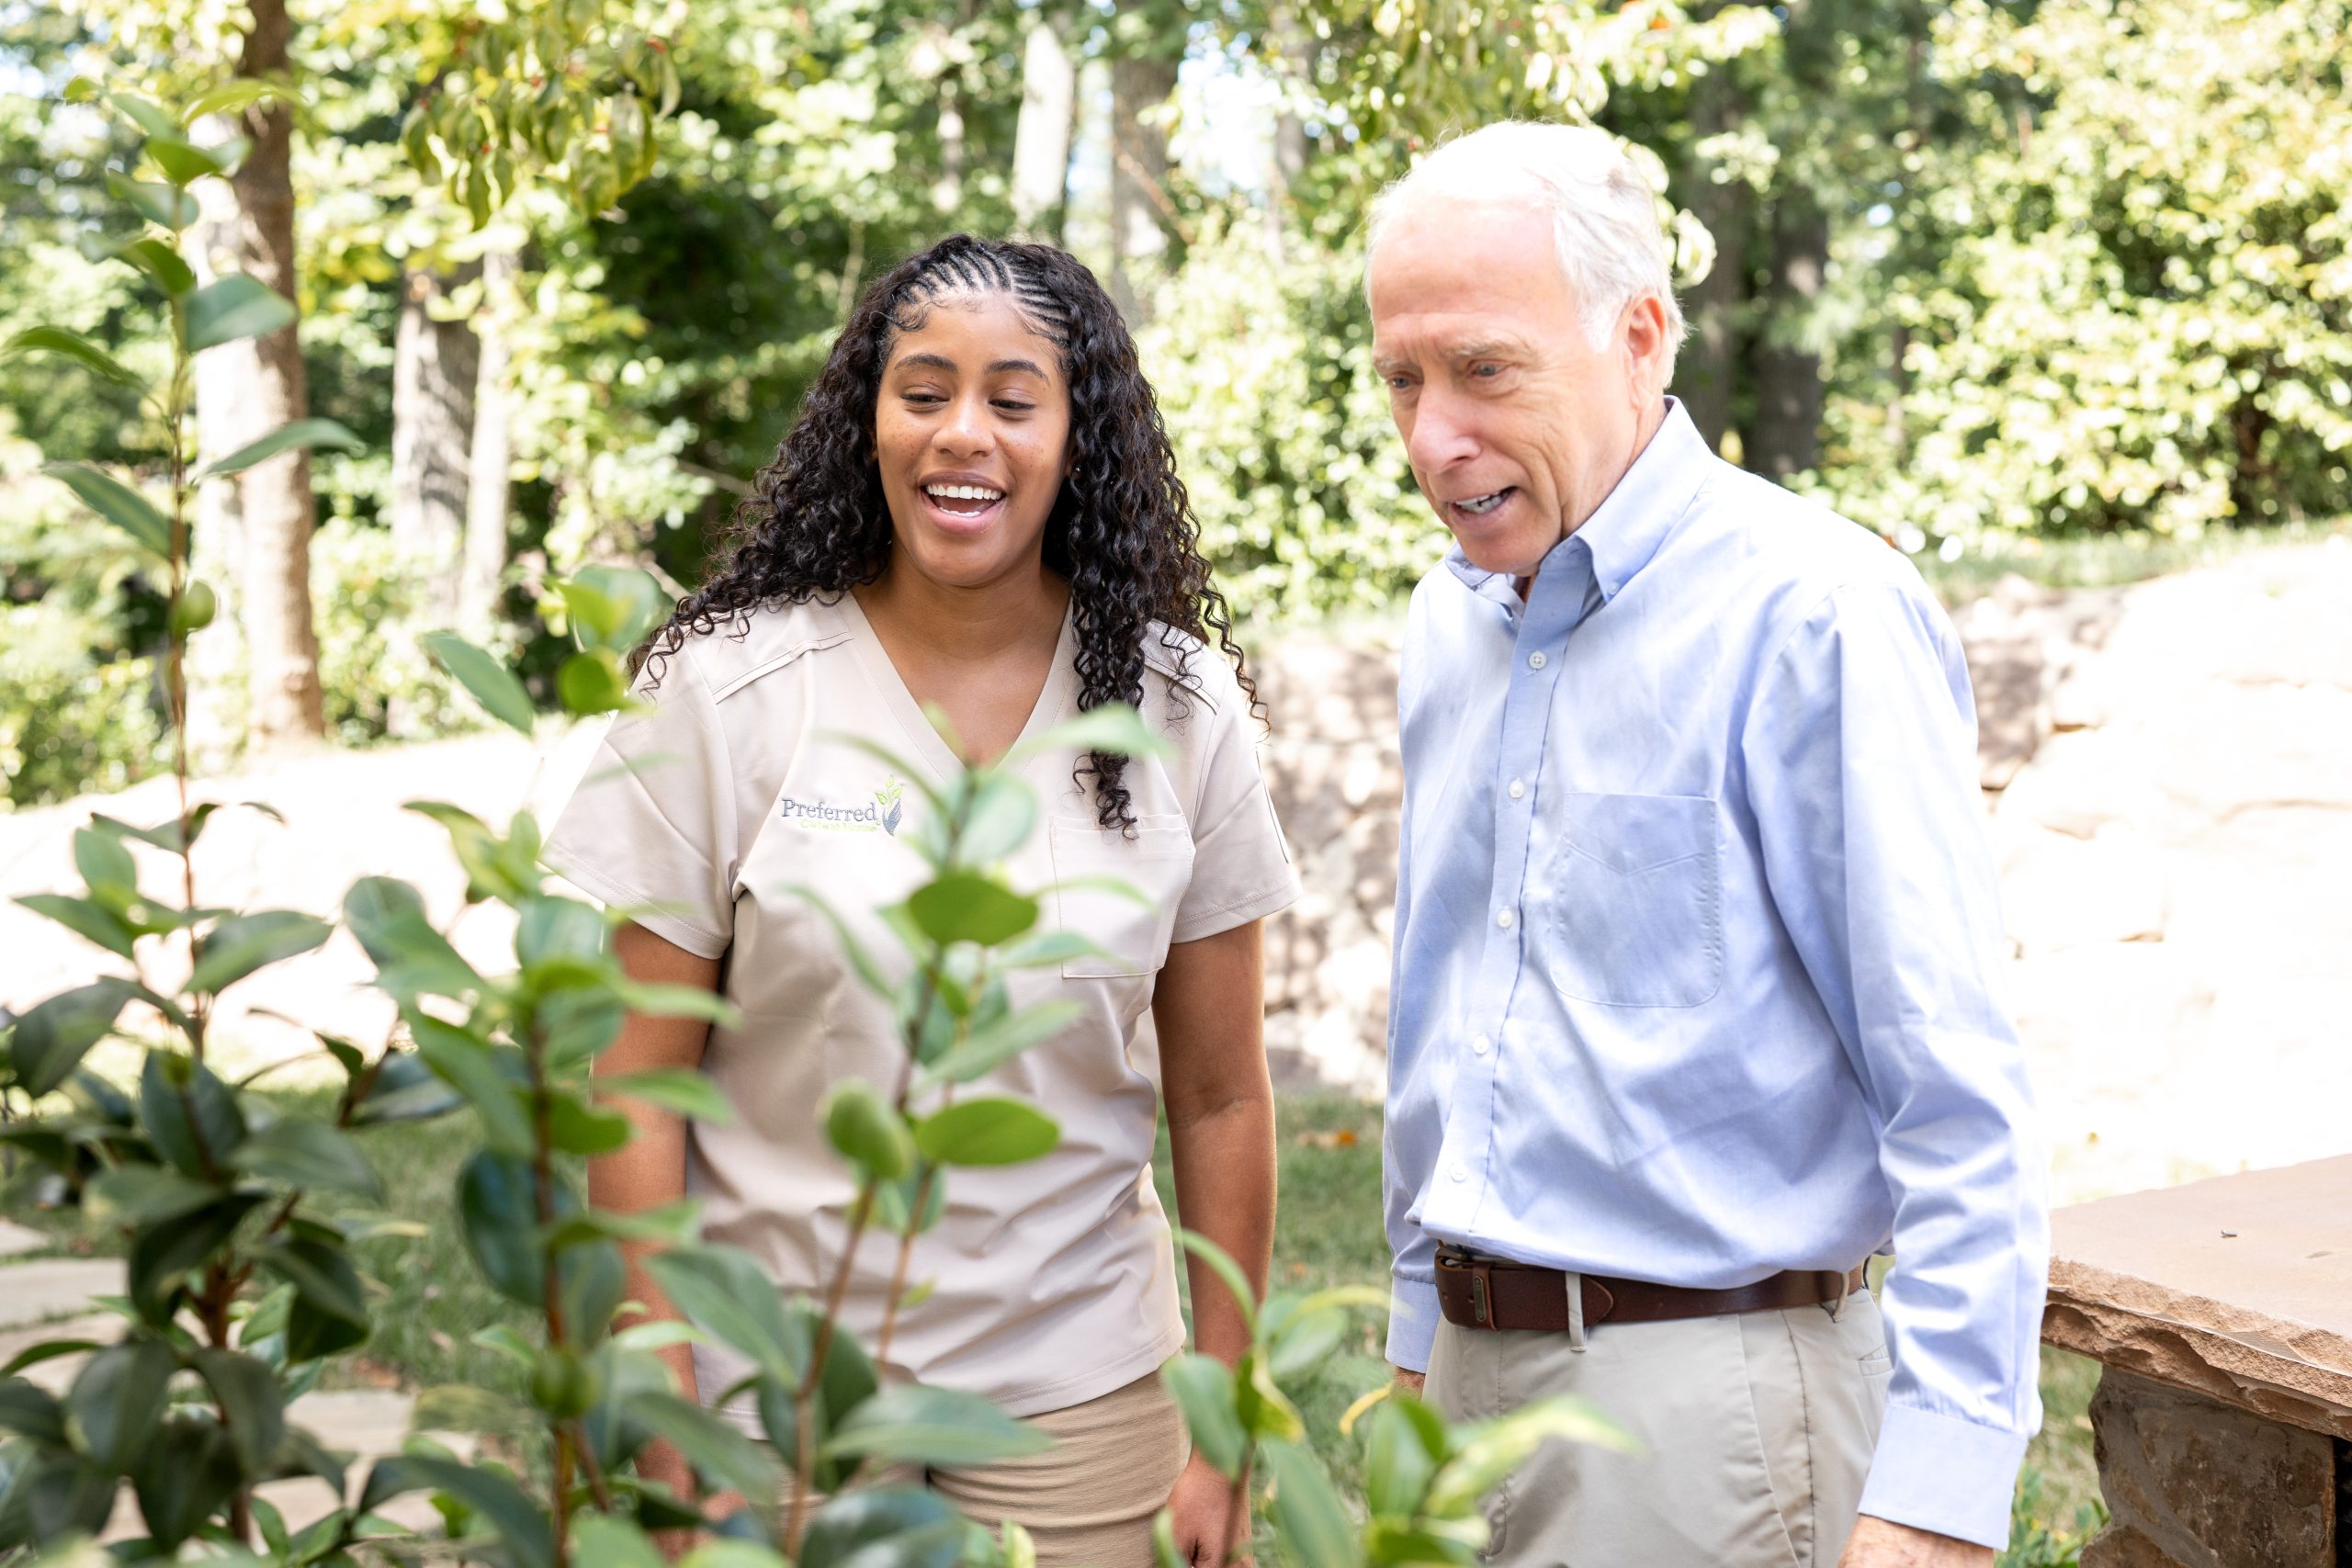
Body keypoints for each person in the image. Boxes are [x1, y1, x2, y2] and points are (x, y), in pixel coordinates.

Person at [546, 234, 1298, 1566]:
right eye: (924, 391)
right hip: (769, 1392)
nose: (966, 435)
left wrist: (1225, 1419)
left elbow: (1224, 1097)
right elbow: (632, 1088)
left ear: (1079, 439)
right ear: (867, 420)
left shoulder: (1178, 709)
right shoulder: (729, 691)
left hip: (1079, 1395)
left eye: (1014, 400)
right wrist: (664, 1419)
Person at [1368, 122, 2048, 1566]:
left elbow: (1953, 1083)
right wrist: (1421, 1336)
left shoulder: (1818, 613)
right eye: (1402, 382)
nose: (1433, 438)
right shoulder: (1449, 621)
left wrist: (1936, 1499)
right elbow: (1442, 1016)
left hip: (1710, 1419)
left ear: (1639, 337)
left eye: (1484, 369)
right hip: (1463, 1402)